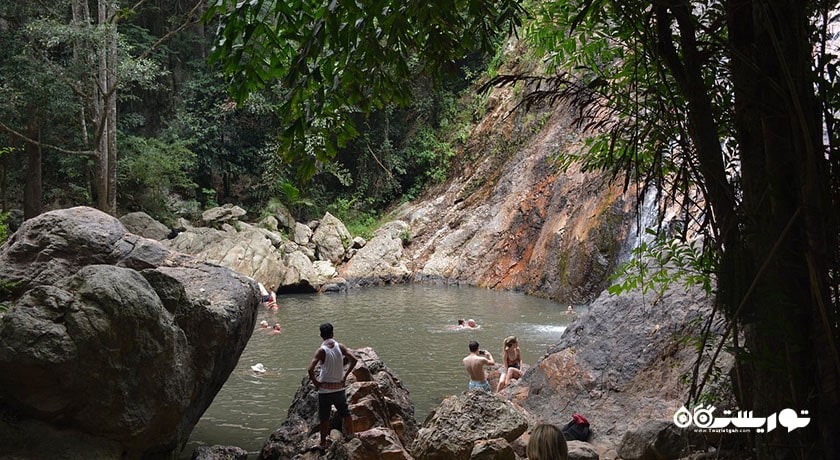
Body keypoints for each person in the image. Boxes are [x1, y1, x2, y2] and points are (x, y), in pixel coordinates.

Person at [307, 322, 358, 450]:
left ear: (321, 335)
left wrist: (316, 383)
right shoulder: (340, 347)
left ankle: (323, 444)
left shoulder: (321, 351)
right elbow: (354, 360)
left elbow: (310, 369)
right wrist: (345, 377)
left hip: (325, 390)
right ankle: (351, 435)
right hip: (339, 388)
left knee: (324, 418)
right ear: (332, 333)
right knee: (345, 413)